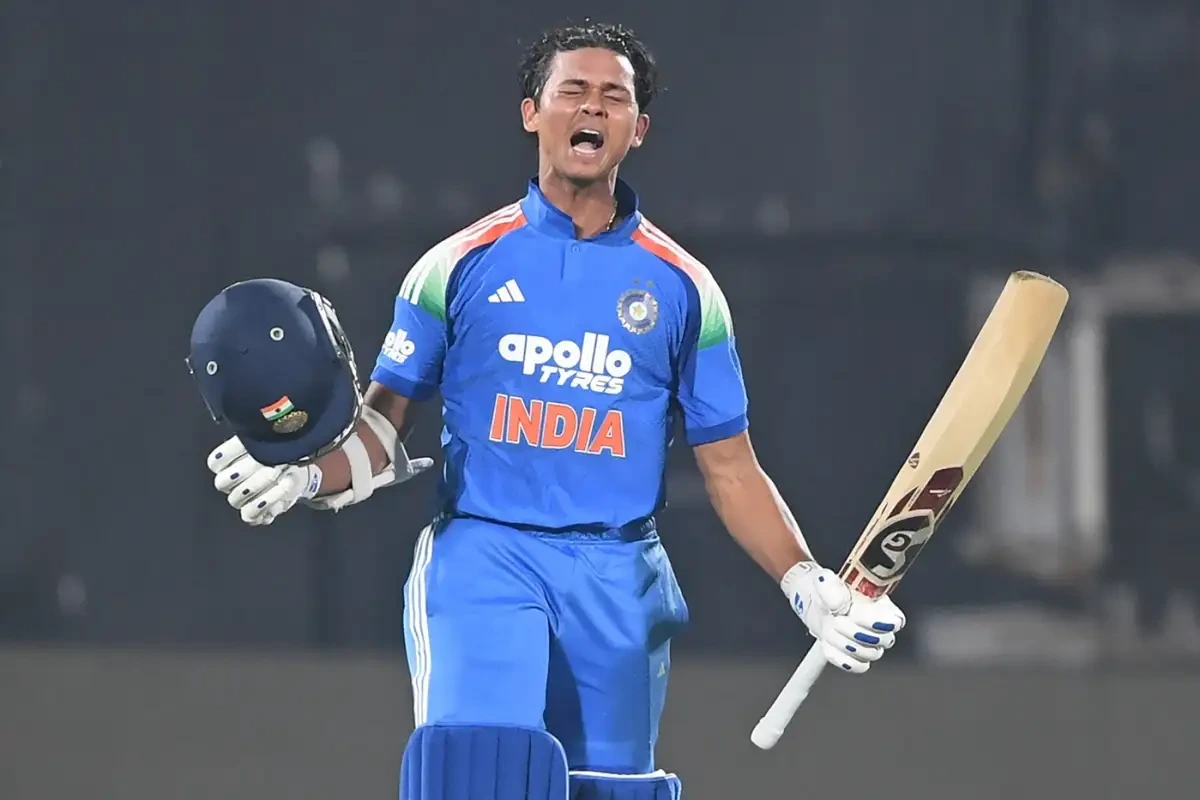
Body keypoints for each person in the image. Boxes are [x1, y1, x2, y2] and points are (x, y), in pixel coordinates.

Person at [188, 21, 906, 800]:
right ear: (532, 112)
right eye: (573, 90)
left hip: (620, 578)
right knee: (478, 773)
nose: (591, 107)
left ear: (638, 128)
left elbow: (731, 470)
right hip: (486, 558)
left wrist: (805, 582)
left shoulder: (686, 290)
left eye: (613, 97)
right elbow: (381, 429)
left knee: (610, 791)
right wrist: (303, 476)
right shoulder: (455, 266)